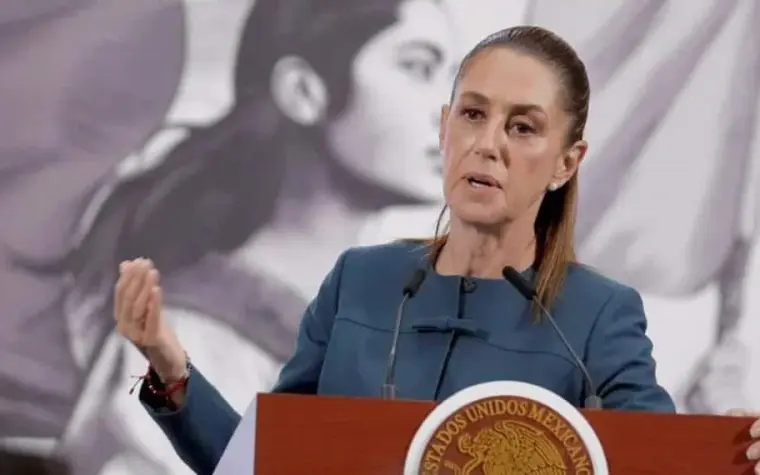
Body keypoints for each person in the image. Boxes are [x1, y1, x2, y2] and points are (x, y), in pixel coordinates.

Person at [113, 25, 760, 475]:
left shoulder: (599, 314)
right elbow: (261, 463)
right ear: (445, 129)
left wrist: (732, 454)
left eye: (523, 127)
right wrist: (170, 368)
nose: (488, 144)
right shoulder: (358, 281)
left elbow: (658, 462)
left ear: (567, 162)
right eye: (473, 115)